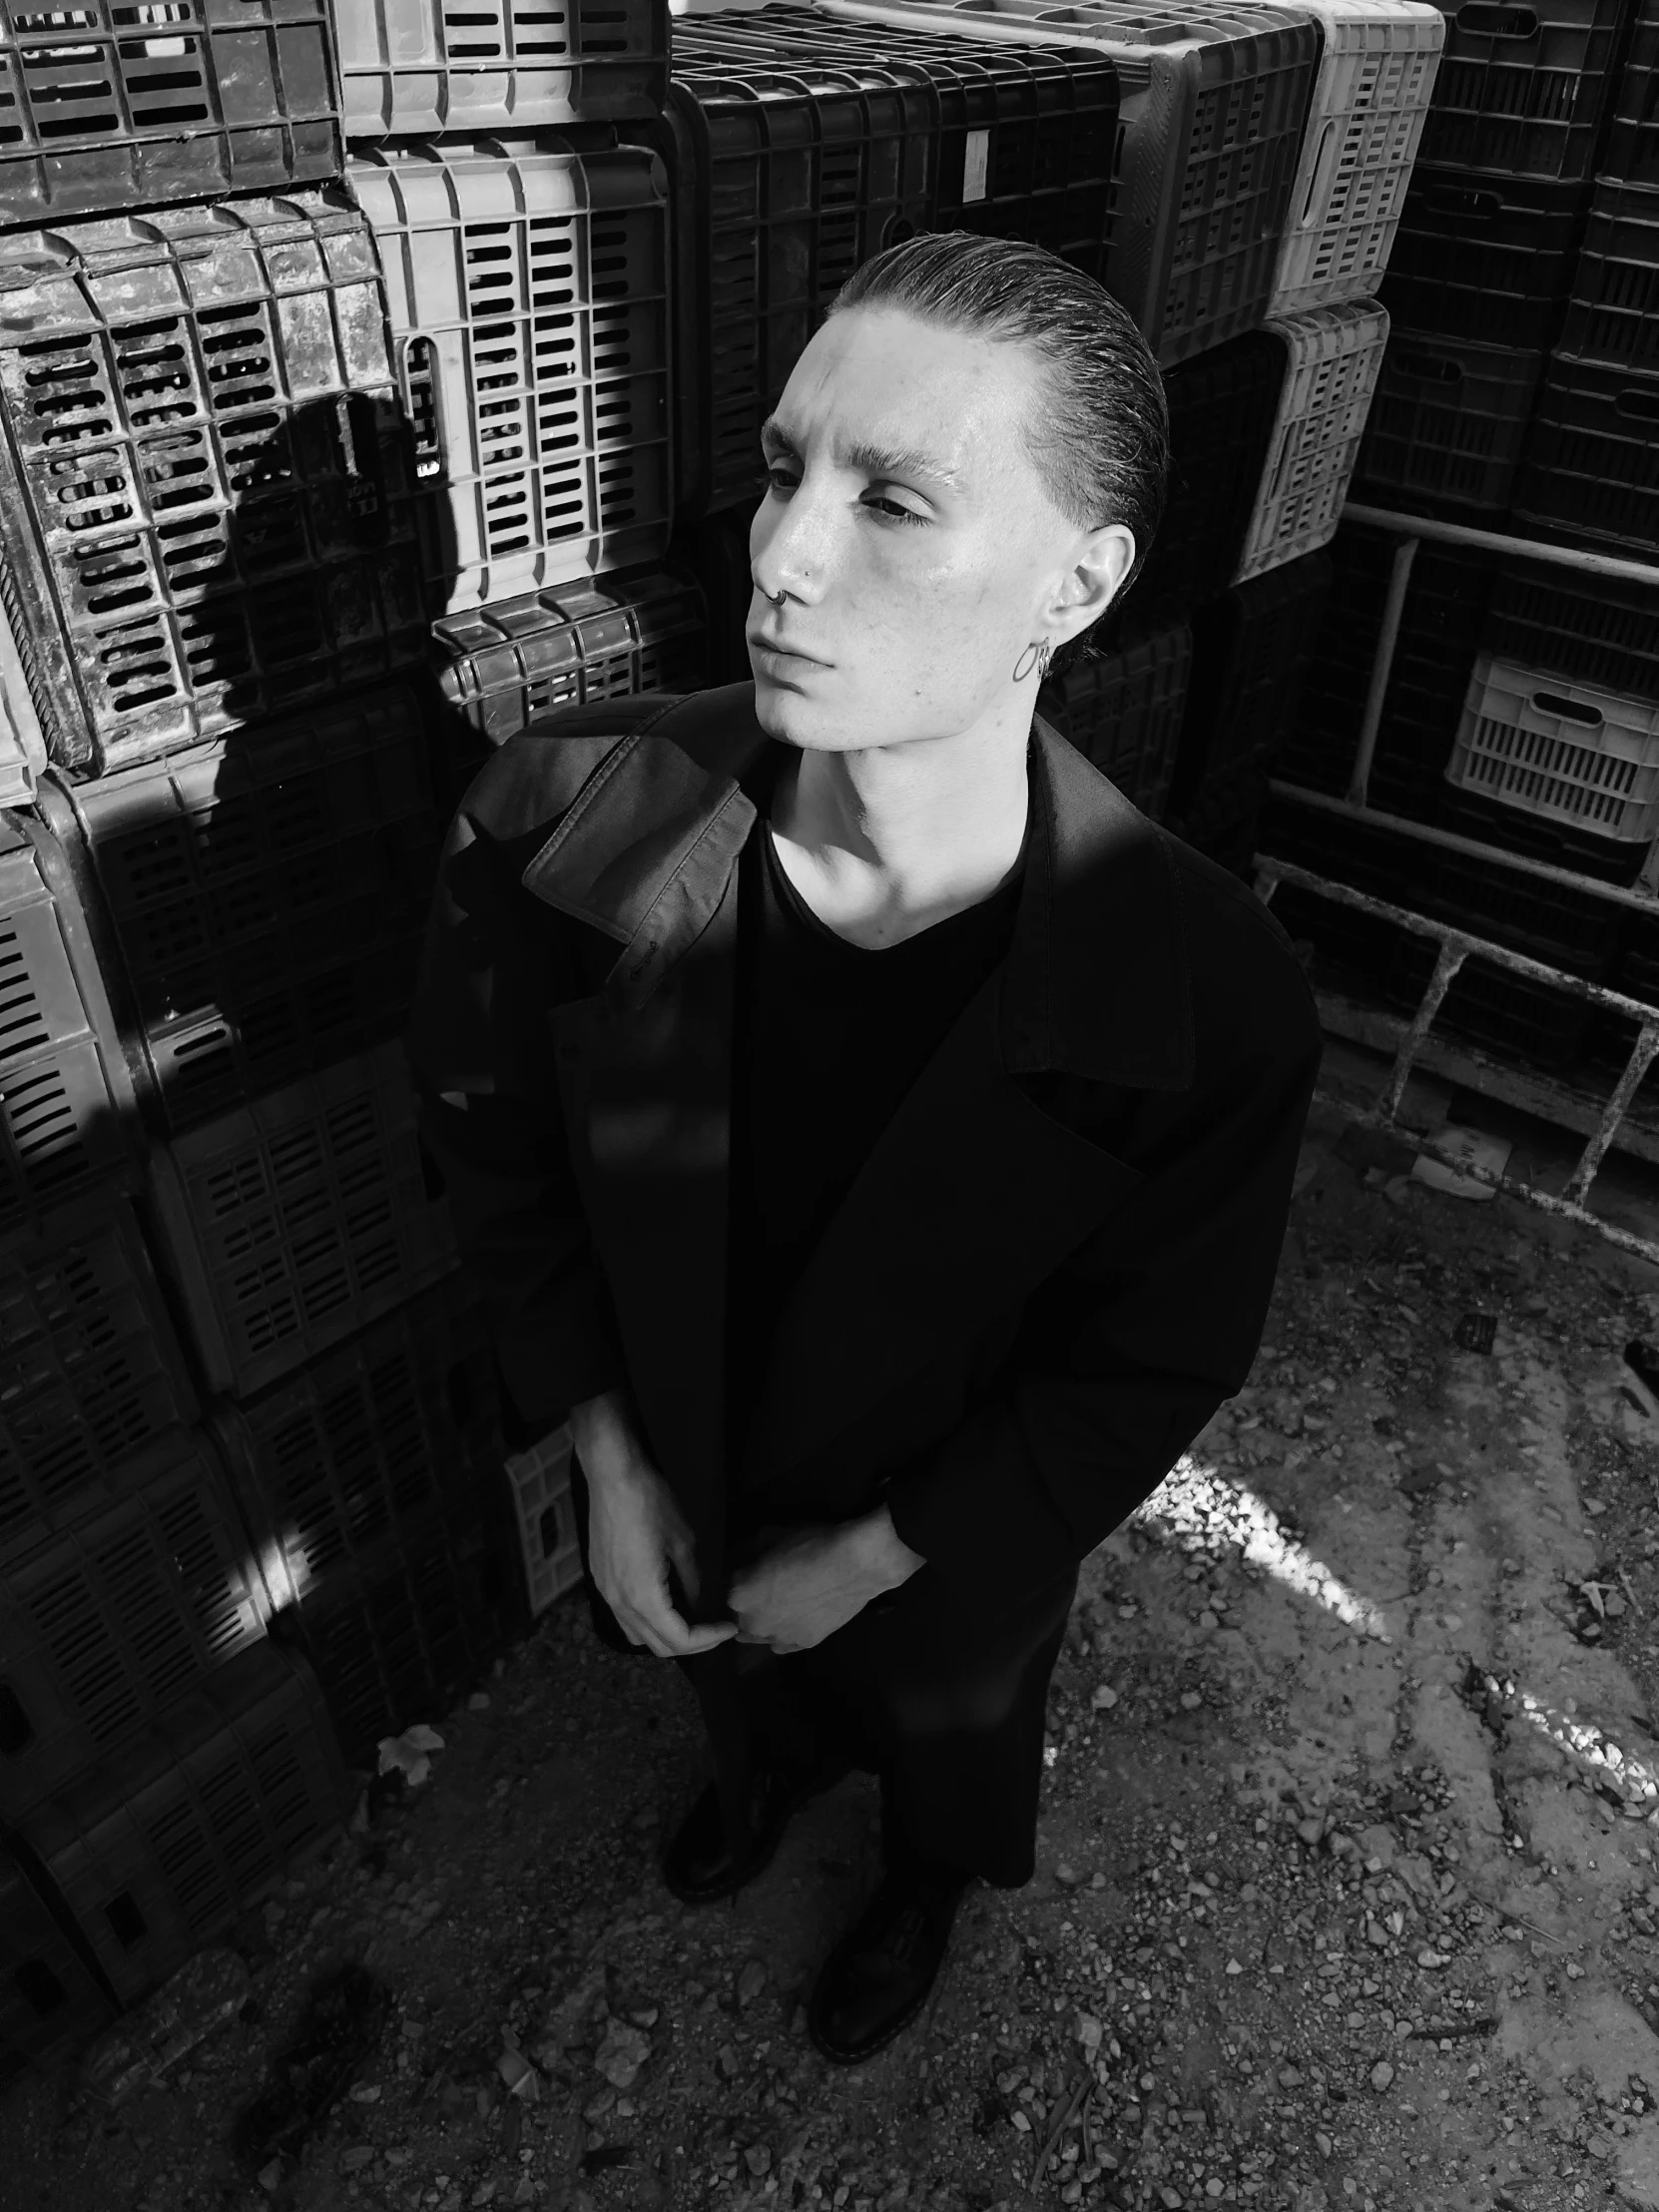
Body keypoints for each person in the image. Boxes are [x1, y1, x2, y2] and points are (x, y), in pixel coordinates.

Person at [406, 232, 1322, 2067]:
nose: (780, 556)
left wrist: (895, 1550)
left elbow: (1148, 1359)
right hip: (690, 1448)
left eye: (892, 498)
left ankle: (922, 1880)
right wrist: (601, 1444)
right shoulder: (560, 822)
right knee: (720, 1674)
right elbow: (496, 1159)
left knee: (947, 1728)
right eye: (779, 468)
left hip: (955, 1536)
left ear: (1077, 584)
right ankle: (758, 1784)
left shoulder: (1203, 994)